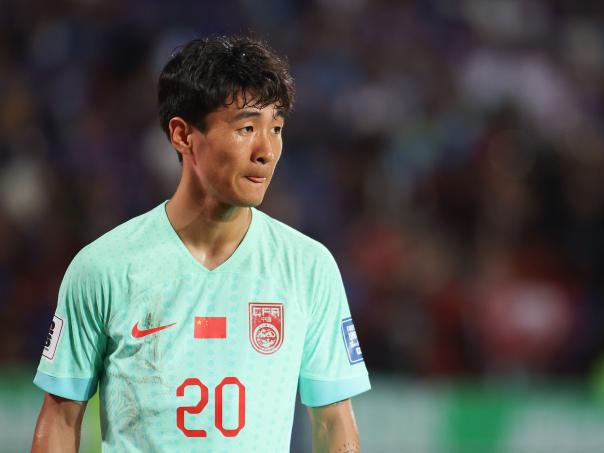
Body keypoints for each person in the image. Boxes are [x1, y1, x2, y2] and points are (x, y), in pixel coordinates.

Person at [31, 35, 370, 453]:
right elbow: (60, 421)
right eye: (247, 128)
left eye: (276, 128)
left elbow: (334, 424)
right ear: (182, 135)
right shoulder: (104, 268)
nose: (267, 151)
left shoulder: (307, 267)